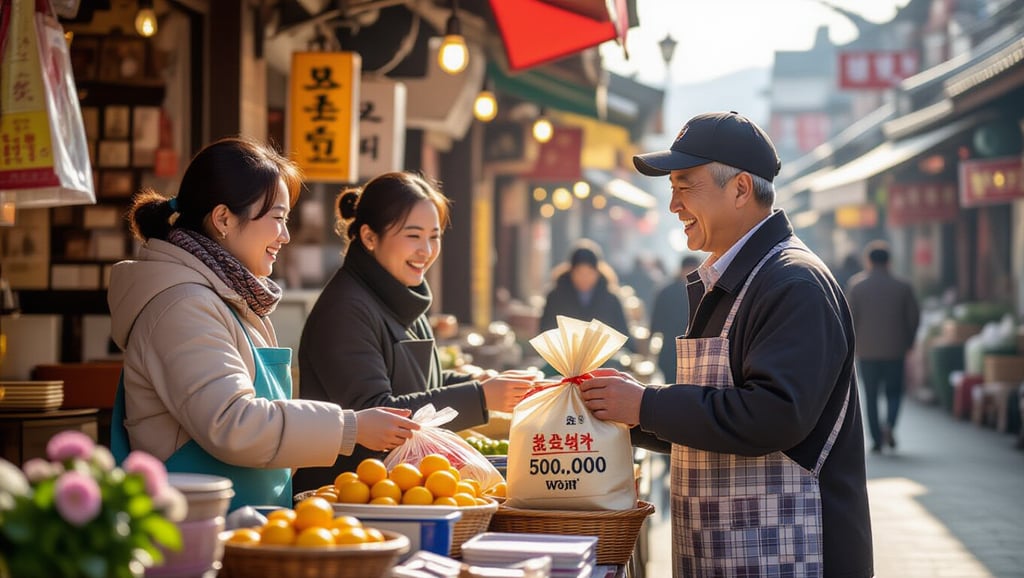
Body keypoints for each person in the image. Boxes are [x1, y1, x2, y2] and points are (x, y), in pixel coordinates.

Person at [577, 111, 873, 577]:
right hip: (735, 552)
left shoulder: (792, 282)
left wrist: (647, 406)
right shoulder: (738, 278)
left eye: (684, 185)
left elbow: (774, 415)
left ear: (739, 189)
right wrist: (623, 411)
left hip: (797, 552)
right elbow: (716, 422)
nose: (673, 205)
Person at [108, 137, 419, 511]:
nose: (285, 237)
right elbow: (232, 422)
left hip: (241, 520)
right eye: (276, 219)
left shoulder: (228, 296)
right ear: (223, 218)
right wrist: (349, 428)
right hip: (194, 526)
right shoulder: (183, 306)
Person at [294, 172, 536, 491]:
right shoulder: (345, 309)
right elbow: (377, 411)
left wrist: (478, 384)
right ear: (369, 237)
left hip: (403, 489)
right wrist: (480, 397)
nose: (426, 250)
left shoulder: (400, 294)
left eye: (434, 236)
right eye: (413, 235)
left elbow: (422, 384)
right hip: (349, 495)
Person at [846, 240, 920, 453]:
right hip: (895, 349)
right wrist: (909, 341)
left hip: (866, 350)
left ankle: (877, 438)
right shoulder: (903, 286)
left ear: (868, 261)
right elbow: (913, 317)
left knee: (870, 394)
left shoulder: (857, 286)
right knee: (894, 392)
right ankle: (890, 426)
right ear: (889, 261)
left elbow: (848, 318)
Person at [539, 239, 632, 347]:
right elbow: (545, 332)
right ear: (571, 272)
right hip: (564, 357)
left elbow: (622, 334)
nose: (584, 278)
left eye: (589, 273)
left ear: (597, 272)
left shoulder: (611, 299)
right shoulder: (555, 297)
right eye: (579, 272)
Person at [649, 254, 701, 383]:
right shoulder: (668, 291)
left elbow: (655, 323)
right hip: (674, 349)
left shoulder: (666, 290)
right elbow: (656, 320)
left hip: (685, 349)